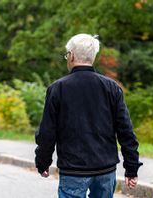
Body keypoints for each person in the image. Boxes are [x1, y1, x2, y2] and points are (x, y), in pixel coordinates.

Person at [35, 33, 142, 198]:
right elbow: (125, 131)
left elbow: (47, 132)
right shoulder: (112, 88)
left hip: (73, 169)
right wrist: (131, 167)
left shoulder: (58, 89)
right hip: (105, 169)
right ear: (93, 57)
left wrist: (43, 162)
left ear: (71, 56)